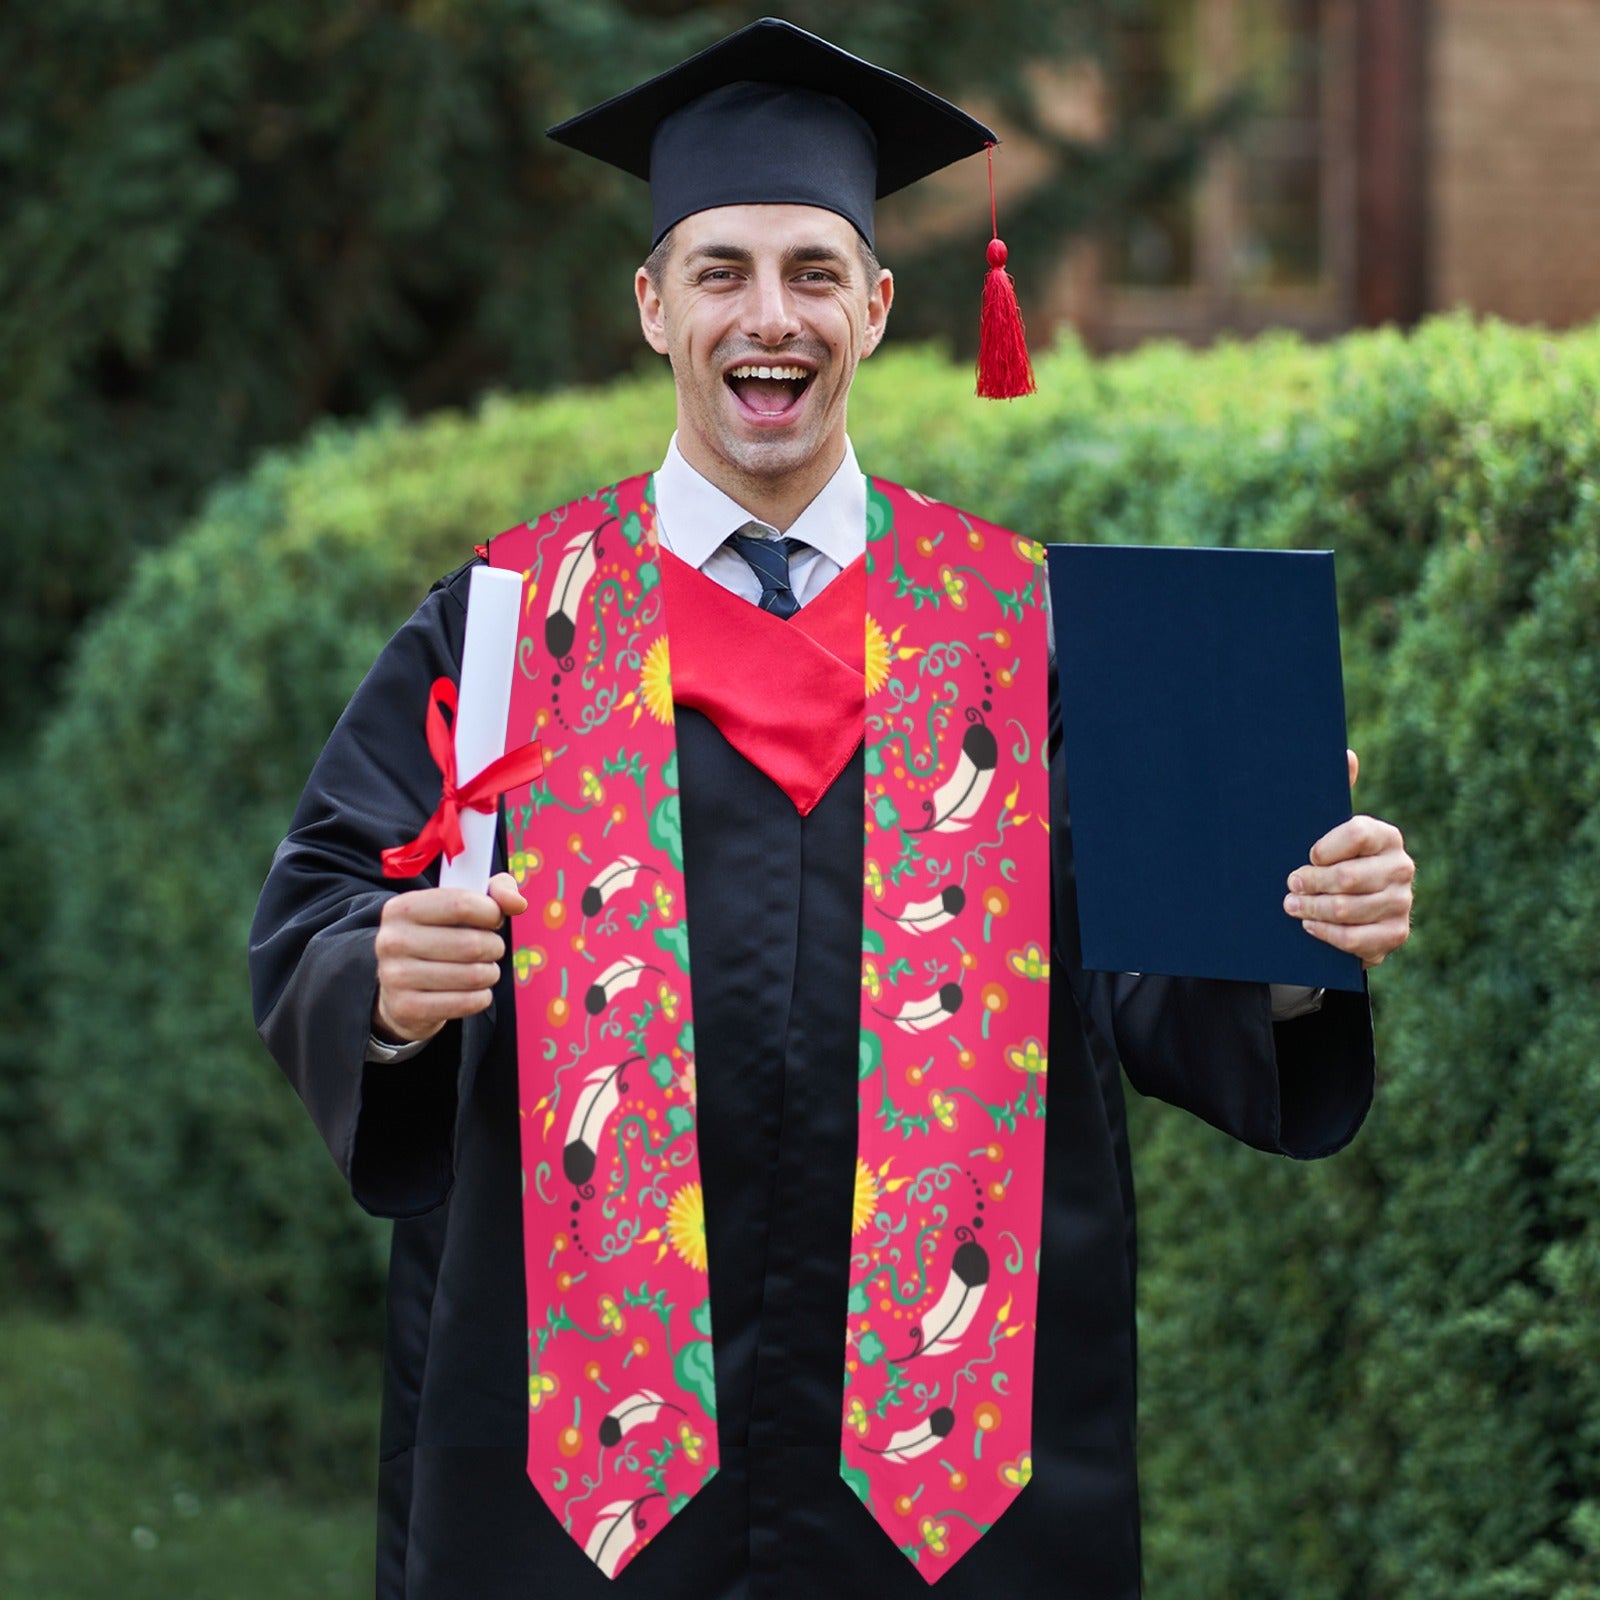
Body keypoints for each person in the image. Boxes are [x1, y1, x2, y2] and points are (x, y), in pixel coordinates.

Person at [249, 19, 1414, 1600]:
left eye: (812, 271)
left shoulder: (1025, 629)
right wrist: (379, 983)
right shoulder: (518, 624)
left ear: (876, 305)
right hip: (585, 1472)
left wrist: (1292, 936)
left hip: (955, 1471)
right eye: (721, 270)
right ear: (654, 305)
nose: (768, 316)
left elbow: (1151, 977)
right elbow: (324, 901)